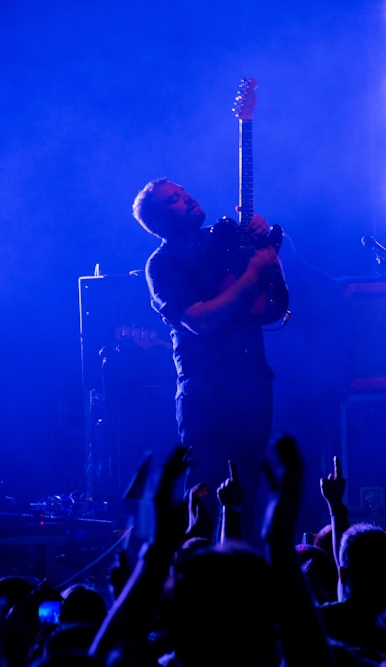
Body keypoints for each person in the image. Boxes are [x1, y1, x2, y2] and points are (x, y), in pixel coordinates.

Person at [131, 178, 289, 527]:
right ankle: (200, 574)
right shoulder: (161, 265)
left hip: (253, 384)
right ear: (158, 221)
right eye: (175, 199)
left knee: (248, 495)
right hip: (207, 396)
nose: (188, 199)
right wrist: (251, 273)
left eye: (185, 192)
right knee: (204, 498)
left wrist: (262, 249)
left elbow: (270, 308)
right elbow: (200, 320)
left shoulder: (223, 241)